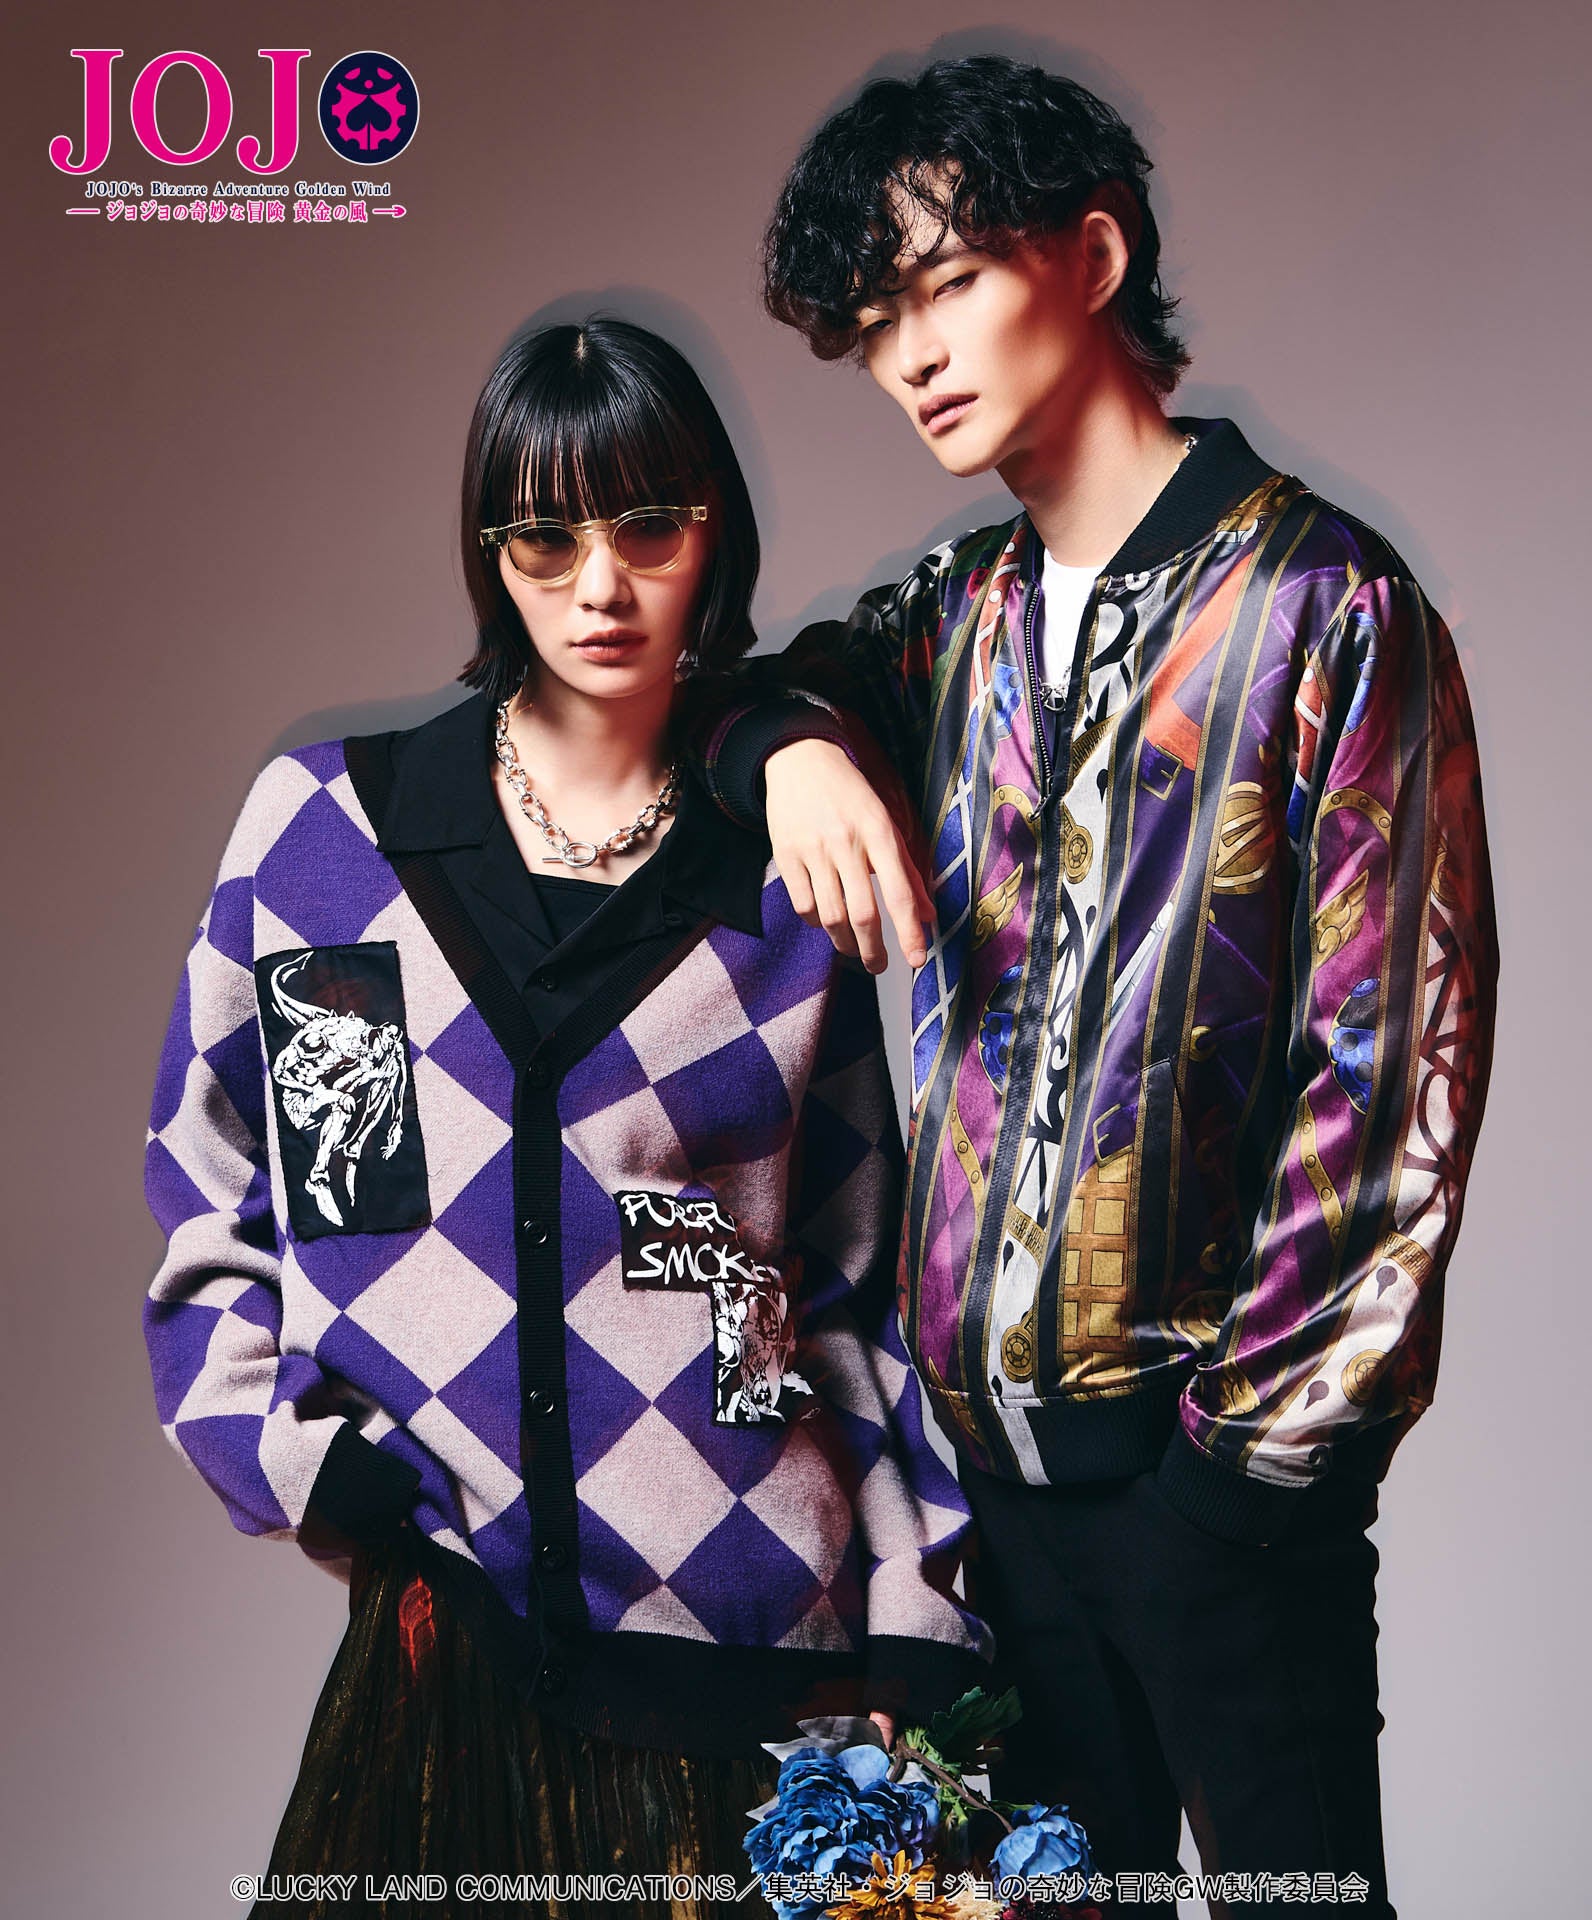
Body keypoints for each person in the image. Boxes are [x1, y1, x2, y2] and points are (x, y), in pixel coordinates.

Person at [690, 56, 1500, 1918]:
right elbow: (746, 698)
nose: (910, 354)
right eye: (874, 320)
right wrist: (790, 750)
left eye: (949, 282)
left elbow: (1393, 1071)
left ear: (1094, 256)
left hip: (1225, 1501)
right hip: (999, 1503)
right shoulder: (950, 618)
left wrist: (1244, 1478)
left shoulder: (1323, 606)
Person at [141, 315, 992, 1920]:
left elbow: (840, 1293)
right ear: (492, 551)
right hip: (448, 1649)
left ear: (713, 536)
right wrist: (288, 1455)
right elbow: (224, 1187)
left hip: (751, 1649)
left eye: (649, 528)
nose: (601, 586)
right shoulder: (335, 841)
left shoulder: (780, 885)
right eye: (546, 537)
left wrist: (909, 1619)